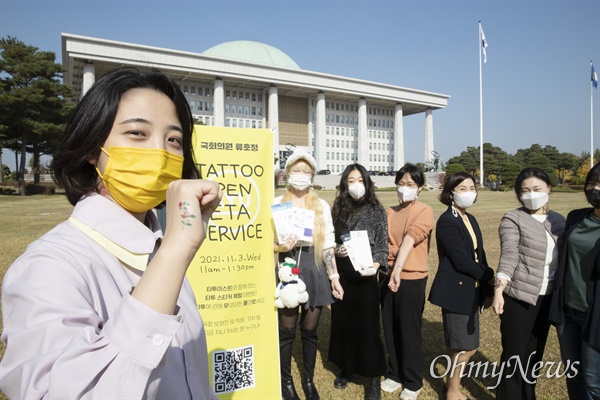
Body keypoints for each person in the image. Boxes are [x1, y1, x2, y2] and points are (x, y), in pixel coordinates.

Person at [0, 68, 222, 399]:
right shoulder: (49, 266)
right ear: (92, 149)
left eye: (173, 140)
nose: (160, 152)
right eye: (137, 133)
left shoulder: (158, 249)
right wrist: (175, 252)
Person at [273, 148, 344, 400]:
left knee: (310, 329)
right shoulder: (277, 203)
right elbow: (266, 243)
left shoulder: (321, 205)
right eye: (296, 170)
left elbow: (328, 243)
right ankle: (286, 381)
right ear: (288, 173)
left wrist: (334, 277)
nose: (301, 175)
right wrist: (282, 246)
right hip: (287, 266)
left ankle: (308, 379)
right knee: (287, 329)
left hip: (314, 267)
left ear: (312, 176)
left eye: (306, 171)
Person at [492, 167, 565, 400]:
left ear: (548, 189)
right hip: (519, 298)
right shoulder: (513, 218)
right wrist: (499, 289)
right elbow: (510, 254)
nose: (531, 194)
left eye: (537, 189)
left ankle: (528, 394)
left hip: (547, 298)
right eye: (525, 190)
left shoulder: (558, 221)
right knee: (514, 355)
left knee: (534, 354)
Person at [428, 172, 494, 400]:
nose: (469, 192)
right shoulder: (447, 221)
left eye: (471, 188)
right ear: (451, 193)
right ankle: (453, 391)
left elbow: (480, 254)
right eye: (462, 188)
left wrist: (485, 283)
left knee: (457, 346)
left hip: (472, 290)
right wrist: (490, 276)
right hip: (456, 290)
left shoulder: (470, 218)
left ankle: (451, 385)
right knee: (468, 348)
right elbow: (463, 261)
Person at [329, 163, 388, 400]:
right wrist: (336, 250)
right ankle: (347, 367)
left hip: (365, 278)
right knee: (343, 324)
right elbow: (329, 241)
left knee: (368, 328)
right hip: (342, 276)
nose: (355, 186)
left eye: (360, 180)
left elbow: (382, 245)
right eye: (350, 181)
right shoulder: (338, 209)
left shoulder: (376, 209)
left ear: (367, 182)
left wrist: (374, 268)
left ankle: (373, 379)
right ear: (344, 185)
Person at [380, 163, 434, 400]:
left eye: (410, 185)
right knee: (390, 326)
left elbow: (411, 238)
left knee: (409, 329)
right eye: (401, 184)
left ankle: (412, 380)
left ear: (419, 188)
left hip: (411, 277)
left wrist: (397, 268)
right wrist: (391, 264)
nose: (405, 189)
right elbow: (382, 243)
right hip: (386, 276)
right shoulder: (388, 212)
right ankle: (395, 374)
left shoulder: (424, 210)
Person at [550, 162, 600, 400]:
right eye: (592, 183)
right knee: (575, 376)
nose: (595, 189)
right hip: (568, 310)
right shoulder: (576, 217)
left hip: (596, 315)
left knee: (594, 381)